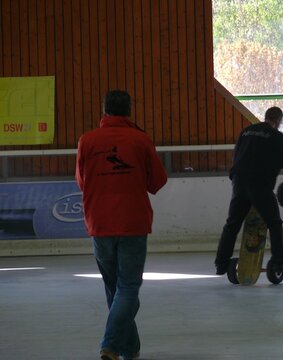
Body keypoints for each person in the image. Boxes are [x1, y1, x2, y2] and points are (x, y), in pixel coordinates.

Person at [75, 90, 168, 360]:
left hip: (99, 224)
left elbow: (82, 182)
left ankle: (130, 348)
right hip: (133, 223)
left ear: (104, 111)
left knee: (115, 289)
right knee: (127, 288)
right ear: (129, 111)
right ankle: (111, 346)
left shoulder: (87, 141)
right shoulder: (140, 140)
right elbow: (157, 182)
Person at [215, 106, 283, 275]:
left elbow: (237, 156)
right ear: (278, 120)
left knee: (232, 224)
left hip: (239, 181)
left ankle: (221, 263)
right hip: (260, 184)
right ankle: (279, 261)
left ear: (266, 117)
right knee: (274, 223)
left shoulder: (246, 132)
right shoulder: (277, 136)